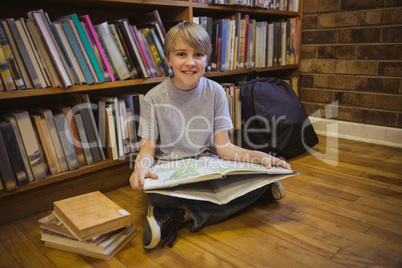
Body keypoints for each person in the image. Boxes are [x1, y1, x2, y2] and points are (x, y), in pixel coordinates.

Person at [129, 21, 291, 249]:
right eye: (181, 54)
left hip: (209, 169)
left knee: (256, 176)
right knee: (159, 196)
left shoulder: (216, 92)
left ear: (207, 59)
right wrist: (141, 167)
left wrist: (260, 157)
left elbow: (224, 147)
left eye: (198, 54)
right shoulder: (152, 98)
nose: (190, 62)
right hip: (172, 174)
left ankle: (176, 217)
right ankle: (252, 196)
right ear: (168, 59)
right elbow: (147, 148)